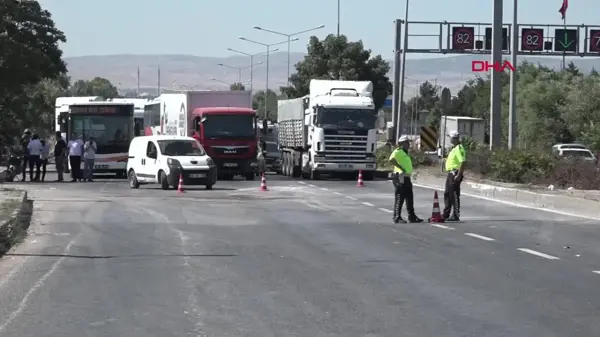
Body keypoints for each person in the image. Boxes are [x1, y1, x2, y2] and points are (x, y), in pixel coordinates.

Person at [388, 135, 423, 223]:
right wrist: (400, 168)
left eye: (408, 142)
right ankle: (397, 216)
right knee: (400, 196)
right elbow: (391, 159)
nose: (408, 144)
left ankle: (412, 216)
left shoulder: (405, 152)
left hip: (406, 177)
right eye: (406, 143)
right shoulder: (398, 151)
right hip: (399, 176)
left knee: (409, 196)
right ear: (401, 144)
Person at [443, 130, 466, 221]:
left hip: (455, 173)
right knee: (447, 193)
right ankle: (446, 213)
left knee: (454, 194)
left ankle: (456, 214)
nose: (450, 139)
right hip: (450, 173)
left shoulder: (459, 148)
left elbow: (463, 162)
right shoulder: (454, 148)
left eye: (451, 137)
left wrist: (459, 175)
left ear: (455, 138)